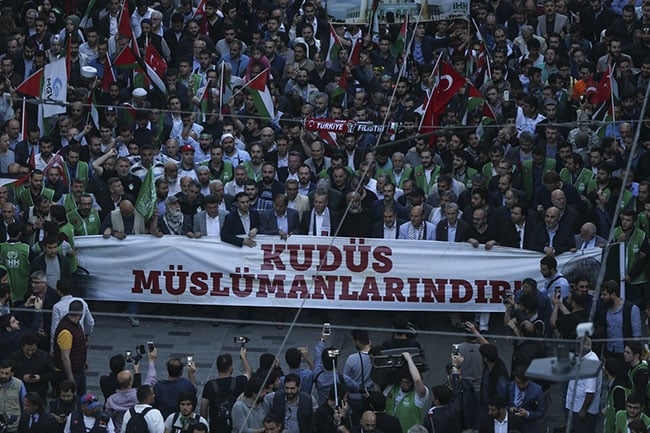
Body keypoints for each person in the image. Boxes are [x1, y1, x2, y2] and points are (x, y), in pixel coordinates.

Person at [200, 350, 252, 433]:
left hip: (216, 427)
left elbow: (203, 409)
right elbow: (248, 373)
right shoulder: (239, 381)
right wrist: (243, 357)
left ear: (218, 367)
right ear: (230, 368)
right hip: (235, 426)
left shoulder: (209, 385)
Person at [105, 351, 157, 433]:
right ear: (131, 382)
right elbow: (150, 379)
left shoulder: (111, 400)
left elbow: (108, 418)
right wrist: (151, 360)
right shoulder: (139, 395)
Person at [384, 352, 431, 433]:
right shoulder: (392, 388)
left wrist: (409, 359)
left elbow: (417, 380)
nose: (404, 385)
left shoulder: (418, 396)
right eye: (402, 382)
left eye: (407, 382)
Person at [565, 338, 601, 433]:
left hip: (583, 411)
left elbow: (590, 393)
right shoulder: (585, 358)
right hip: (578, 407)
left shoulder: (590, 363)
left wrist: (583, 410)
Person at [52, 301, 87, 396]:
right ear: (81, 312)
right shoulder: (66, 332)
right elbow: (65, 357)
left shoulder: (75, 324)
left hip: (79, 368)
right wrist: (70, 378)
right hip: (70, 372)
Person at [9, 333, 53, 402]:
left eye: (33, 349)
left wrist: (40, 378)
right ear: (22, 346)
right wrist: (22, 378)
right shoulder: (14, 358)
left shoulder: (44, 356)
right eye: (27, 350)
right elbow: (9, 375)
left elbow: (51, 374)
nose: (30, 352)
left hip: (40, 393)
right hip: (19, 393)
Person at [506, 367, 545, 433]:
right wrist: (509, 409)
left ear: (529, 380)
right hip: (510, 425)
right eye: (518, 383)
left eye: (524, 383)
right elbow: (501, 405)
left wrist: (527, 413)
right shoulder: (508, 386)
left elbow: (540, 413)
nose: (521, 386)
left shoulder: (537, 390)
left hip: (527, 426)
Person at [0, 358, 27, 433]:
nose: (3, 376)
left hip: (14, 426)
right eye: (1, 372)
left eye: (7, 373)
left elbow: (25, 405)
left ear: (12, 373)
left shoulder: (19, 384)